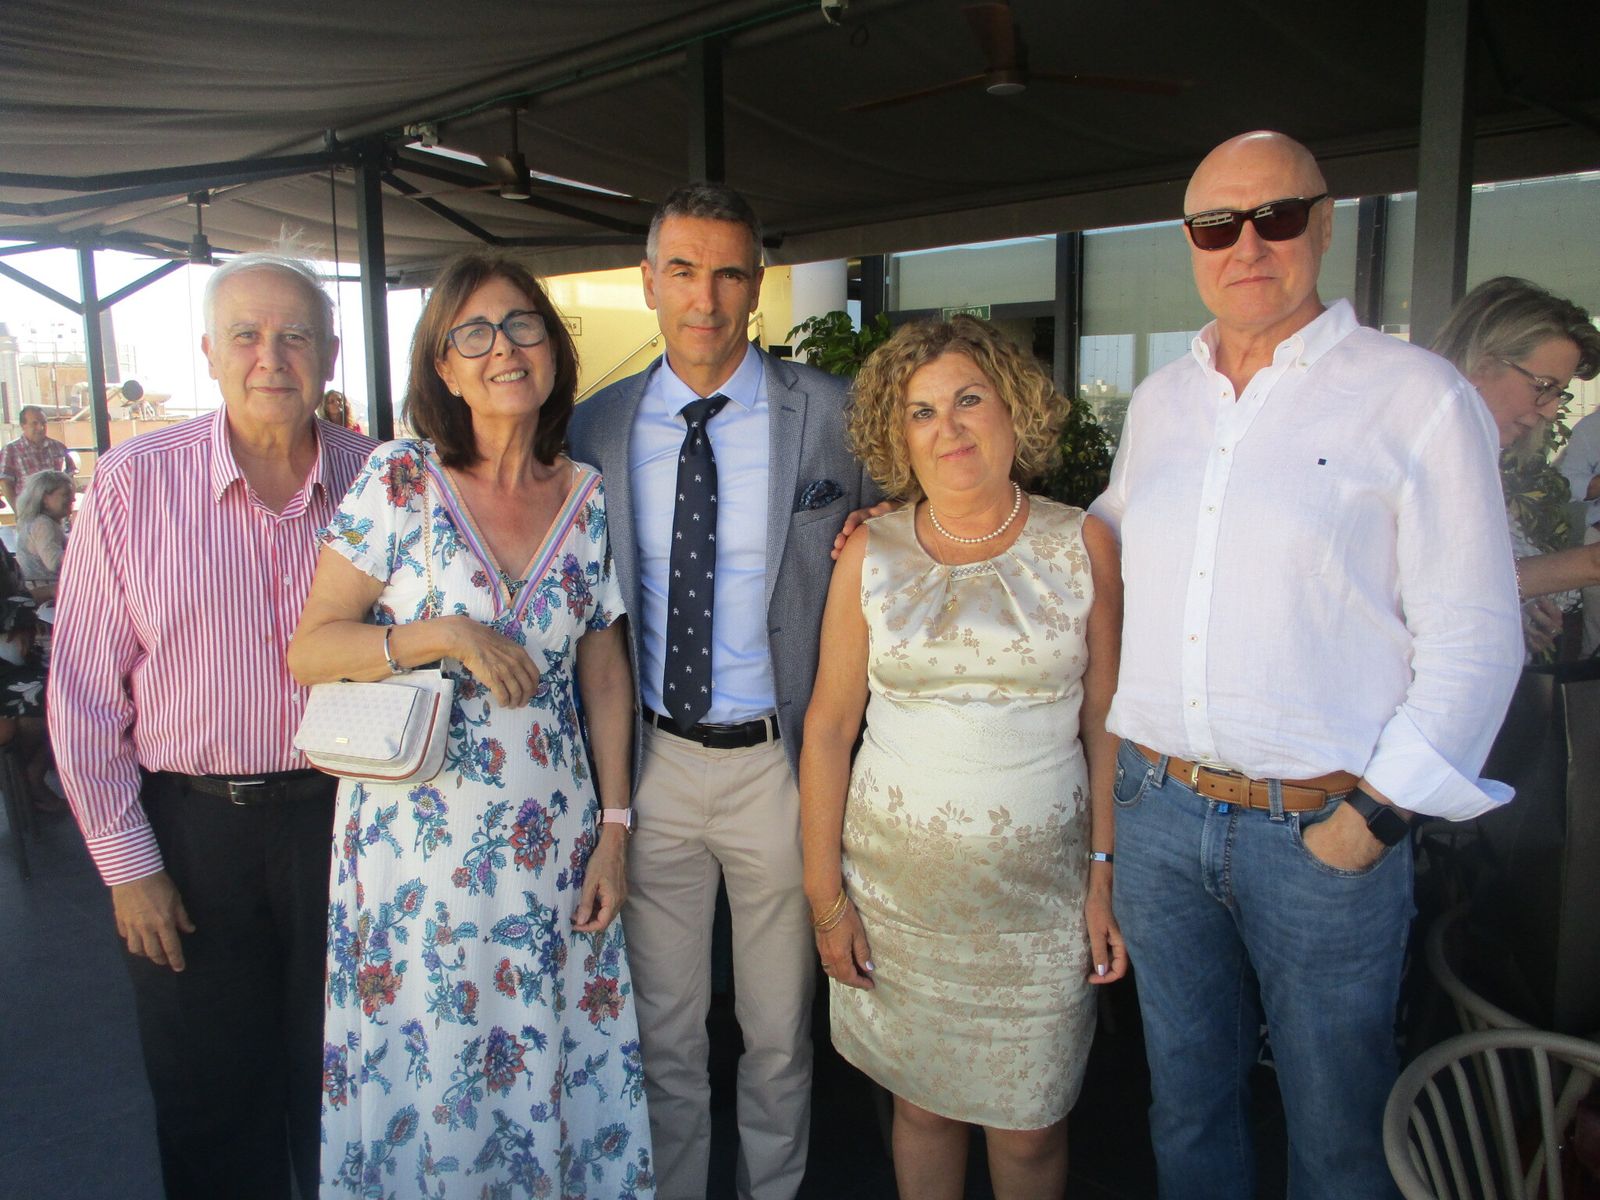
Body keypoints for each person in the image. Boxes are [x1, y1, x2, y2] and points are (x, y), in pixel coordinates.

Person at [1090, 131, 1524, 1200]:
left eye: (1275, 217)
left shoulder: (1413, 395)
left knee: (1338, 1132)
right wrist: (931, 526)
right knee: (1186, 1105)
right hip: (1157, 810)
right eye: (1215, 225)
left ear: (1322, 226)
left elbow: (1477, 634)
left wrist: (1373, 817)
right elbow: (1098, 544)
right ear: (1188, 244)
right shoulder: (1160, 404)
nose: (1247, 244)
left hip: (1321, 832)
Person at [287, 252, 653, 1197]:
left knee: (550, 1056)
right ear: (443, 367)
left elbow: (604, 676)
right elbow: (312, 648)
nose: (505, 348)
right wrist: (442, 632)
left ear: (553, 352)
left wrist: (614, 834)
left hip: (554, 842)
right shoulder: (398, 480)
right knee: (435, 1056)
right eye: (476, 333)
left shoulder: (586, 493)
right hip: (415, 853)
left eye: (524, 325)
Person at [567, 182, 879, 1200]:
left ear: (755, 284)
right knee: (662, 1033)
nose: (705, 296)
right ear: (650, 280)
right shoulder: (594, 430)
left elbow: (898, 553)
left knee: (779, 1035)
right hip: (653, 767)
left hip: (779, 770)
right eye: (684, 270)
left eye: (729, 271)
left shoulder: (831, 416)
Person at [47, 252, 375, 1200]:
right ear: (208, 352)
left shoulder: (383, 483)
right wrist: (128, 865)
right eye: (246, 335)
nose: (270, 356)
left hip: (350, 826)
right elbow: (79, 691)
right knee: (207, 1097)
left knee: (349, 1080)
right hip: (192, 836)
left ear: (330, 354)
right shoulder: (134, 485)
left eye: (294, 336)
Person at [800, 315, 1126, 1200]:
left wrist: (1104, 872)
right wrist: (825, 900)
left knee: (1030, 1132)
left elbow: (1106, 722)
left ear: (1013, 409)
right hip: (899, 902)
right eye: (921, 412)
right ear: (897, 438)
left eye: (968, 399)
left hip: (1042, 903)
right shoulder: (868, 550)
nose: (949, 428)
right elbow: (830, 726)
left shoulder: (1083, 542)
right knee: (924, 1113)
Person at [1429, 277, 1600, 655]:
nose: (1552, 410)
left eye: (1559, 392)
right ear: (1481, 365)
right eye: (1543, 386)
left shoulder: (1475, 465)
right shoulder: (1405, 459)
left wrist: (1523, 622)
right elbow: (1434, 588)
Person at [0, 404, 77, 512]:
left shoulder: (58, 447)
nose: (40, 427)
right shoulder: (11, 450)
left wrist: (68, 505)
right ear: (23, 425)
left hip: (57, 513)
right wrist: (18, 511)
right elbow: (5, 483)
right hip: (29, 513)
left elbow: (70, 477)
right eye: (35, 423)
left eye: (43, 423)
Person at [13, 467, 73, 601]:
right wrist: (85, 554)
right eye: (66, 494)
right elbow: (54, 562)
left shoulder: (36, 522)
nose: (73, 499)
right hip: (48, 592)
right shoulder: (43, 524)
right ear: (45, 498)